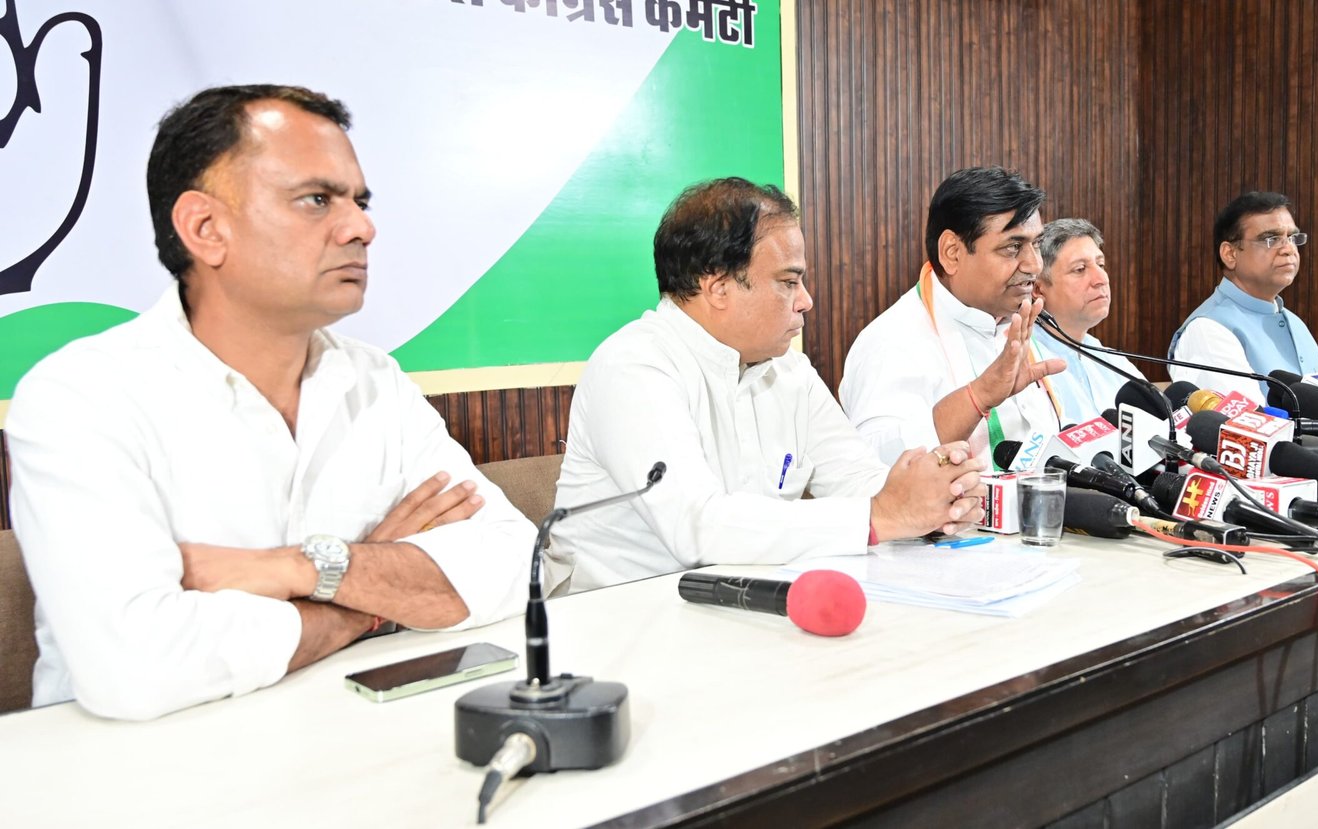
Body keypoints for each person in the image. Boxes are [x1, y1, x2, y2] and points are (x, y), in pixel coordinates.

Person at [5, 85, 535, 721]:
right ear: (206, 229)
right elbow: (137, 669)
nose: (362, 228)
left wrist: (303, 568)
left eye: (360, 202)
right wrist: (368, 601)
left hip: (353, 737)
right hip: (143, 767)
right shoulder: (80, 397)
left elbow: (514, 565)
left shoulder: (375, 381)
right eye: (317, 200)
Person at [547, 178, 983, 593]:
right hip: (624, 618)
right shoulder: (633, 365)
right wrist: (879, 517)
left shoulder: (789, 370)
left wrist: (937, 498)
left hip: (743, 606)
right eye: (788, 282)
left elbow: (858, 479)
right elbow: (697, 527)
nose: (806, 300)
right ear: (718, 287)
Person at [840, 167, 1067, 469]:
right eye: (1013, 247)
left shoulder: (1016, 320)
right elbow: (877, 463)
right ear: (952, 253)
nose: (1034, 264)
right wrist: (979, 396)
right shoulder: (891, 342)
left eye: (1036, 244)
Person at [1168, 191, 1318, 401]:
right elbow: (1245, 418)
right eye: (1271, 239)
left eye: (1292, 238)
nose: (1288, 249)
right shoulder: (1208, 329)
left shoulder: (1295, 323)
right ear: (1230, 254)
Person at [1029, 218, 1145, 423]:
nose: (1101, 279)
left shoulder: (1109, 358)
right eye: (1080, 269)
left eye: (1100, 265)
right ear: (1038, 289)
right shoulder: (1026, 360)